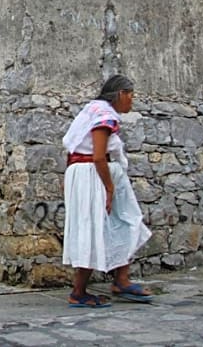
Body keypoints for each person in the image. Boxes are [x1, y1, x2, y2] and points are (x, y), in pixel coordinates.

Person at [61, 74, 152, 307]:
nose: (132, 101)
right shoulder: (104, 116)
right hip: (94, 174)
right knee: (97, 227)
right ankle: (79, 292)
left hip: (85, 173)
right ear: (120, 94)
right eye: (130, 96)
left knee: (121, 221)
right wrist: (109, 188)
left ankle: (121, 279)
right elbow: (99, 156)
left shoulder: (92, 110)